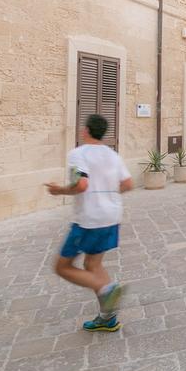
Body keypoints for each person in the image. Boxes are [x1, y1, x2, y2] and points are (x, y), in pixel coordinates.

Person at [45, 114, 132, 332]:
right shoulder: (113, 155)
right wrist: (107, 196)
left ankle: (105, 288)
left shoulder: (78, 154)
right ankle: (107, 318)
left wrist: (59, 191)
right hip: (112, 216)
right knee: (92, 265)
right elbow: (128, 183)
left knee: (62, 267)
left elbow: (81, 184)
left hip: (89, 220)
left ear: (85, 131)